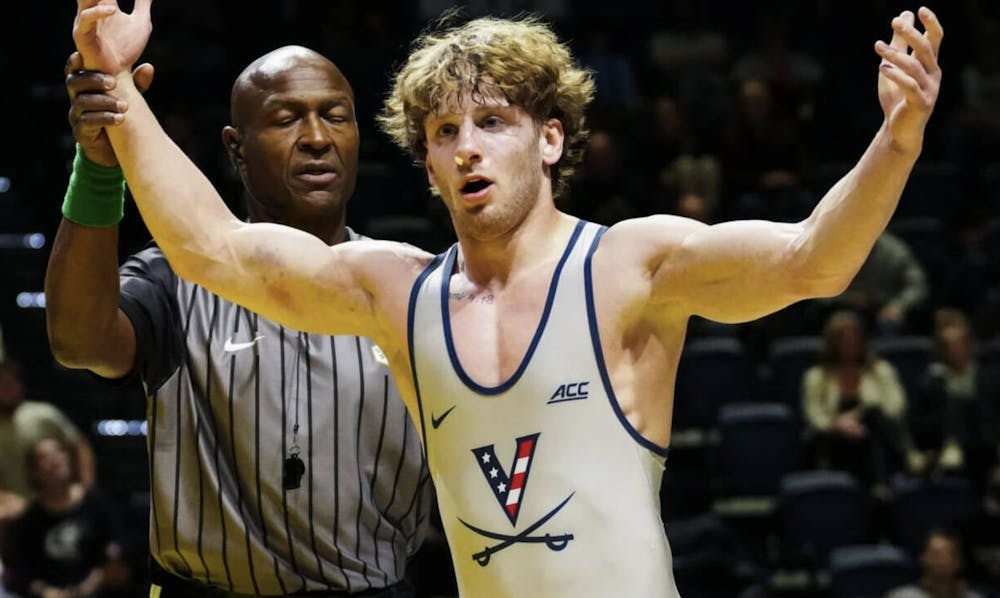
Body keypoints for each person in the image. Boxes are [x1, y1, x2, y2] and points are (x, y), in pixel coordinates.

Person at [71, 3, 943, 596]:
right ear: (428, 164)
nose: (468, 149)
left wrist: (897, 140)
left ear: (551, 138)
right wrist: (114, 86)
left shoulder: (628, 267)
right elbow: (211, 251)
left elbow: (809, 263)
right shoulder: (397, 291)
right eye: (445, 132)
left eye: (493, 122)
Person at [45, 45, 430, 596]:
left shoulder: (414, 285)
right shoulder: (172, 276)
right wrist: (100, 168)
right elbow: (80, 342)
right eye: (286, 118)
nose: (318, 137)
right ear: (237, 148)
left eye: (336, 116)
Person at [801, 310, 919, 488]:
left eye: (854, 337)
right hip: (835, 439)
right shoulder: (817, 377)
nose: (850, 342)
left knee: (874, 416)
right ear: (832, 342)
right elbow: (814, 415)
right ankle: (908, 459)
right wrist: (837, 424)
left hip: (875, 433)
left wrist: (858, 416)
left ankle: (881, 484)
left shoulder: (881, 371)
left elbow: (897, 407)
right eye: (843, 338)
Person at [1, 437, 124, 598]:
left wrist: (97, 579)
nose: (55, 460)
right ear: (35, 472)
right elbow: (21, 569)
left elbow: (116, 545)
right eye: (44, 457)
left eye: (59, 452)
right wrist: (45, 591)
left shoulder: (96, 504)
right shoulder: (29, 520)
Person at [0, 361, 95, 524]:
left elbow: (78, 446)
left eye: (10, 383)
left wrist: (85, 489)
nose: (7, 389)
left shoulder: (42, 414)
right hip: (15, 511)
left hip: (55, 503)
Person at [911, 308, 999, 479]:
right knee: (955, 403)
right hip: (945, 447)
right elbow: (919, 424)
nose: (955, 351)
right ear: (941, 350)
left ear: (970, 346)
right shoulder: (931, 383)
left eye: (960, 344)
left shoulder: (989, 379)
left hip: (986, 443)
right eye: (949, 346)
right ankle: (953, 447)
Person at [887, 527, 987, 598]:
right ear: (922, 558)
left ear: (961, 561)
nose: (944, 561)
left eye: (952, 555)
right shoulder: (901, 596)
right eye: (936, 555)